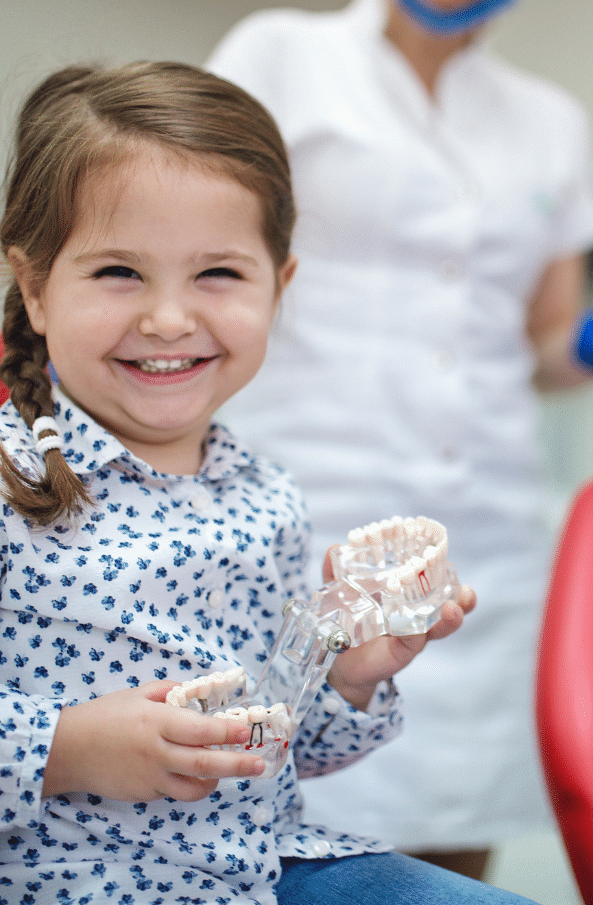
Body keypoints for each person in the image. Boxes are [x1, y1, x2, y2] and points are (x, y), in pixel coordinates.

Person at [205, 0, 593, 878]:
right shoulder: (279, 55)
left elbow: (541, 339)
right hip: (306, 511)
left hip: (479, 549)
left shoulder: (549, 120)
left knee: (457, 845)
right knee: (281, 840)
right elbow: (198, 251)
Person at [0, 59, 548, 905]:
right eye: (119, 272)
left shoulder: (268, 499)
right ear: (34, 287)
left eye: (217, 273)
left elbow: (282, 741)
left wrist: (351, 674)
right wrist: (63, 747)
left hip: (268, 870)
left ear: (279, 285)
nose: (169, 318)